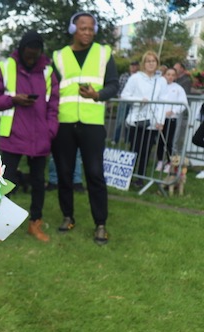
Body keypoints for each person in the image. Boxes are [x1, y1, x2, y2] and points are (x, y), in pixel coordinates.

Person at [0, 30, 59, 242]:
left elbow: (54, 104)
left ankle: (35, 223)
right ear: (21, 49)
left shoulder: (47, 72)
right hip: (13, 135)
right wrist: (13, 99)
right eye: (28, 52)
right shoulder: (5, 67)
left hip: (40, 137)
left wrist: (51, 130)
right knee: (5, 182)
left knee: (38, 182)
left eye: (35, 53)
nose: (31, 57)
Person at [51, 12, 118, 245]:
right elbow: (51, 89)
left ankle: (101, 224)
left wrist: (97, 95)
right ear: (73, 29)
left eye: (91, 28)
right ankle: (67, 216)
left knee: (95, 174)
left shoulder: (104, 53)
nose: (87, 32)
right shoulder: (58, 56)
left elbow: (113, 85)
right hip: (64, 123)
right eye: (83, 28)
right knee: (64, 173)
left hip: (92, 123)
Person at [120, 50, 166, 187]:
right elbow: (124, 95)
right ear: (144, 63)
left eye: (153, 61)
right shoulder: (135, 78)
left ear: (157, 63)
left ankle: (140, 178)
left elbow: (163, 101)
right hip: (136, 120)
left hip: (152, 122)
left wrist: (161, 121)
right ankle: (127, 177)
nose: (151, 64)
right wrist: (139, 100)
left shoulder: (161, 80)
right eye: (148, 61)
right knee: (134, 148)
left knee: (146, 150)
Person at [157, 67, 187, 172]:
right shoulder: (160, 87)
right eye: (168, 74)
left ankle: (170, 162)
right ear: (164, 75)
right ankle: (160, 161)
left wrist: (174, 110)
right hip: (160, 118)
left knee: (169, 141)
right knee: (160, 140)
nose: (170, 77)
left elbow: (183, 104)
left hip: (171, 119)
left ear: (175, 77)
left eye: (172, 75)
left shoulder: (178, 88)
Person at [113, 60, 139, 144]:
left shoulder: (139, 77)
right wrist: (119, 96)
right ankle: (115, 139)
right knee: (120, 121)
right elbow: (118, 87)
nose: (133, 67)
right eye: (131, 65)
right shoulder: (124, 76)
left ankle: (128, 140)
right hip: (124, 101)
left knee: (129, 122)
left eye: (134, 65)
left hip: (134, 102)